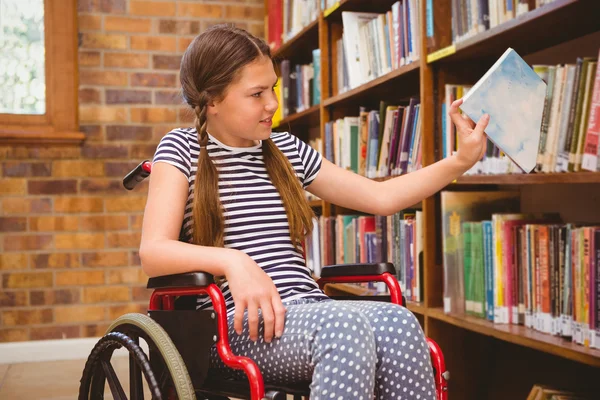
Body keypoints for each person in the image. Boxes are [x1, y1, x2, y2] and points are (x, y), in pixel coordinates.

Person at [140, 24, 488, 400]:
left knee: (400, 322)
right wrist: (234, 262)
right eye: (256, 94)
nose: (272, 104)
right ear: (212, 101)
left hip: (309, 311)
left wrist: (459, 161)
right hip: (233, 327)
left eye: (272, 88)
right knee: (343, 327)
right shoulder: (181, 148)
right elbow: (153, 251)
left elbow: (381, 197)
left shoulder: (286, 149)